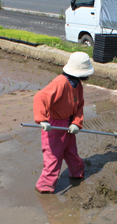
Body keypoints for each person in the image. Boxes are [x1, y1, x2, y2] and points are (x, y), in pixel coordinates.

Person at [33, 52, 94, 194]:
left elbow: (79, 107)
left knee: (72, 153)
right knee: (53, 159)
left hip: (69, 125)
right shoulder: (59, 83)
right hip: (53, 127)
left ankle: (77, 174)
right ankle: (44, 188)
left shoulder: (77, 85)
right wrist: (42, 119)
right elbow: (40, 97)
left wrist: (76, 123)